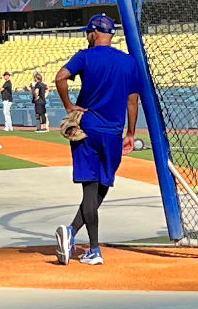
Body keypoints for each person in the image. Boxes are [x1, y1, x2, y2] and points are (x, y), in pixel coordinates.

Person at [54, 13, 140, 267]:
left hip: (88, 129)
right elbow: (132, 100)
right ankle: (71, 233)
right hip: (114, 132)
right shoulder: (128, 62)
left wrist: (70, 106)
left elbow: (60, 77)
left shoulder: (85, 56)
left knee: (91, 189)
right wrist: (131, 133)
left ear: (93, 33)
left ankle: (93, 248)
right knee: (101, 187)